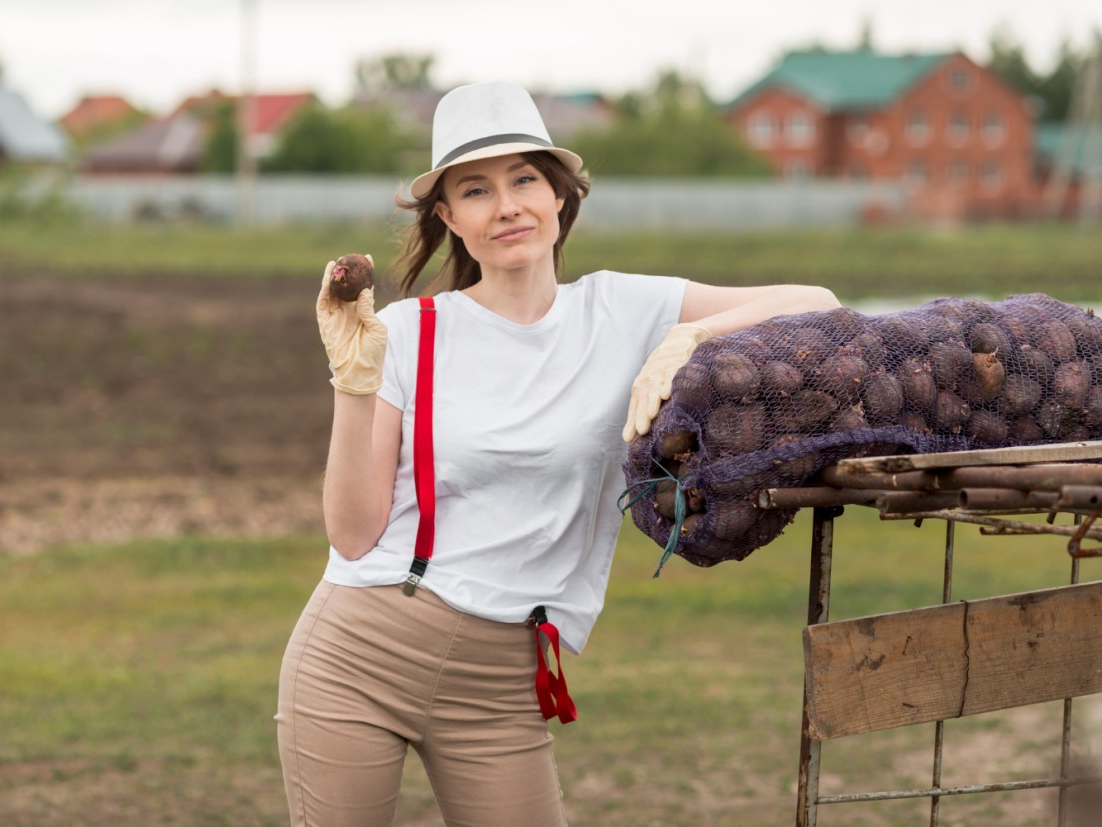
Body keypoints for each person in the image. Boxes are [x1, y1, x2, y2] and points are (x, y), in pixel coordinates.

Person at [277, 81, 840, 827]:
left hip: (504, 679)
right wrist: (353, 382)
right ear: (449, 218)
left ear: (558, 197)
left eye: (524, 180)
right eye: (476, 190)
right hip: (362, 651)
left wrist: (690, 336)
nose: (506, 205)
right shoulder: (408, 331)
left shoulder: (621, 309)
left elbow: (820, 303)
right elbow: (352, 533)